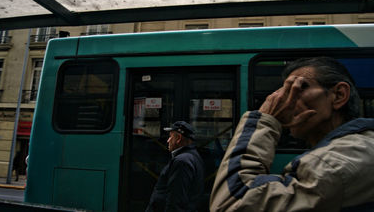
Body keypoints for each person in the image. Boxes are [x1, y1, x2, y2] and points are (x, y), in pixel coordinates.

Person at [210, 56, 374, 212]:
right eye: (285, 91)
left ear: (339, 95)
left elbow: (233, 202)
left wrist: (263, 120)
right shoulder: (356, 149)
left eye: (299, 88)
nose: (286, 101)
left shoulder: (336, 162)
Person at [146, 121, 205, 212]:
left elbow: (175, 199)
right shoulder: (192, 156)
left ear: (178, 138)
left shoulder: (182, 161)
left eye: (170, 136)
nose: (168, 140)